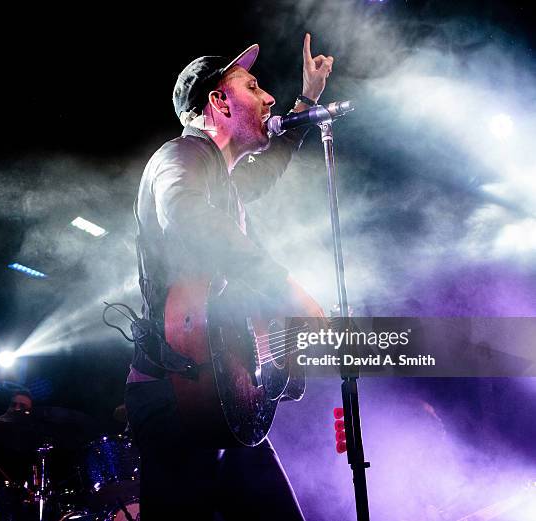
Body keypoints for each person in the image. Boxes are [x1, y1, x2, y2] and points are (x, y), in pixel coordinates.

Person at [125, 34, 333, 520]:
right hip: (177, 396)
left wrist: (308, 100)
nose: (268, 98)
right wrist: (285, 288)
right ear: (218, 101)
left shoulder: (224, 182)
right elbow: (188, 216)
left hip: (222, 389)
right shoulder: (178, 159)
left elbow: (271, 166)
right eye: (253, 85)